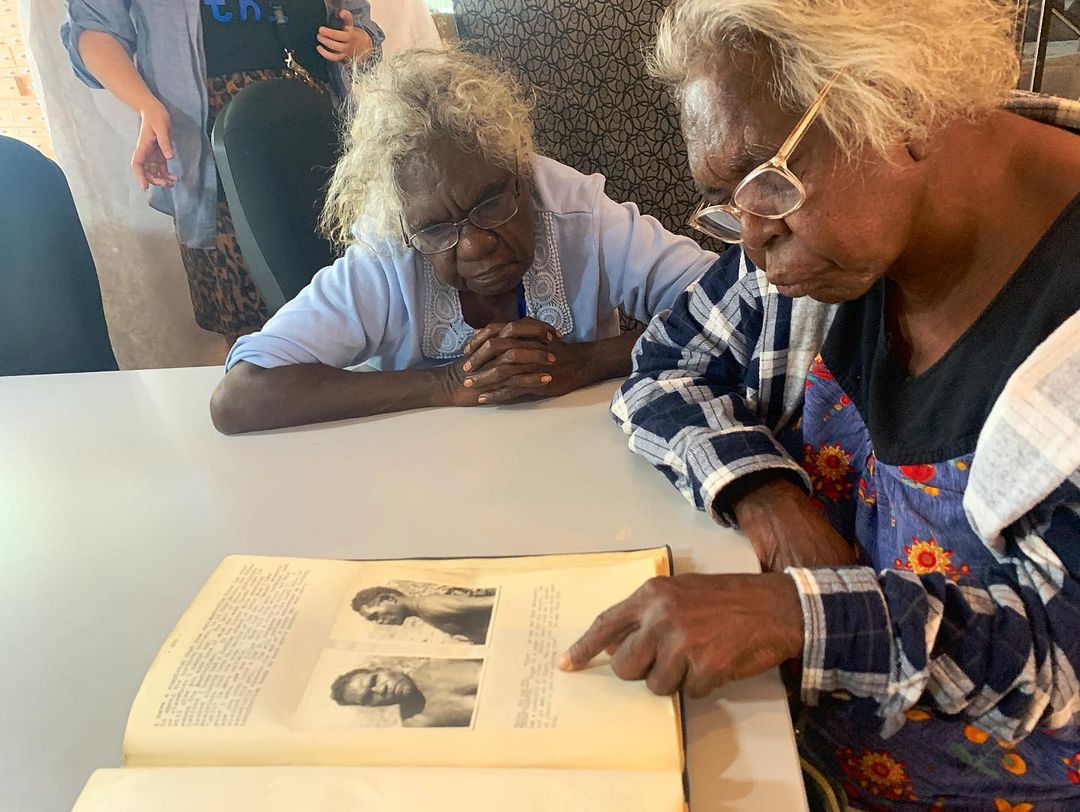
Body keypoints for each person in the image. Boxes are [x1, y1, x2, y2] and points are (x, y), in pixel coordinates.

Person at [561, 1, 1080, 809]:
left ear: (898, 103)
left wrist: (799, 616)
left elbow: (1062, 655)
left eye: (763, 180)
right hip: (789, 744)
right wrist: (766, 494)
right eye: (727, 198)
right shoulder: (823, 232)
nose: (750, 237)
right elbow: (666, 366)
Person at [208, 48, 719, 433]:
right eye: (436, 230)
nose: (474, 246)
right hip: (429, 484)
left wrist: (586, 362)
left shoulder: (577, 212)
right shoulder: (389, 250)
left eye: (491, 203)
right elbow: (242, 394)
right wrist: (452, 383)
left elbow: (737, 301)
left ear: (523, 171)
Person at [62, 2, 384, 342]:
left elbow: (360, 24)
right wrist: (146, 106)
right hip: (213, 143)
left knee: (352, 299)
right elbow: (94, 29)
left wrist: (359, 41)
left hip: (321, 125)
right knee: (251, 320)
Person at [331, 659, 481, 727]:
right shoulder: (418, 725)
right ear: (372, 706)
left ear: (383, 669)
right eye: (369, 697)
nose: (380, 690)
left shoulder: (440, 663)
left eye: (374, 681)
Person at [351, 585, 495, 645]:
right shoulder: (423, 611)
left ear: (389, 599)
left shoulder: (429, 606)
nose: (379, 622)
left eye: (375, 616)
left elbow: (496, 602)